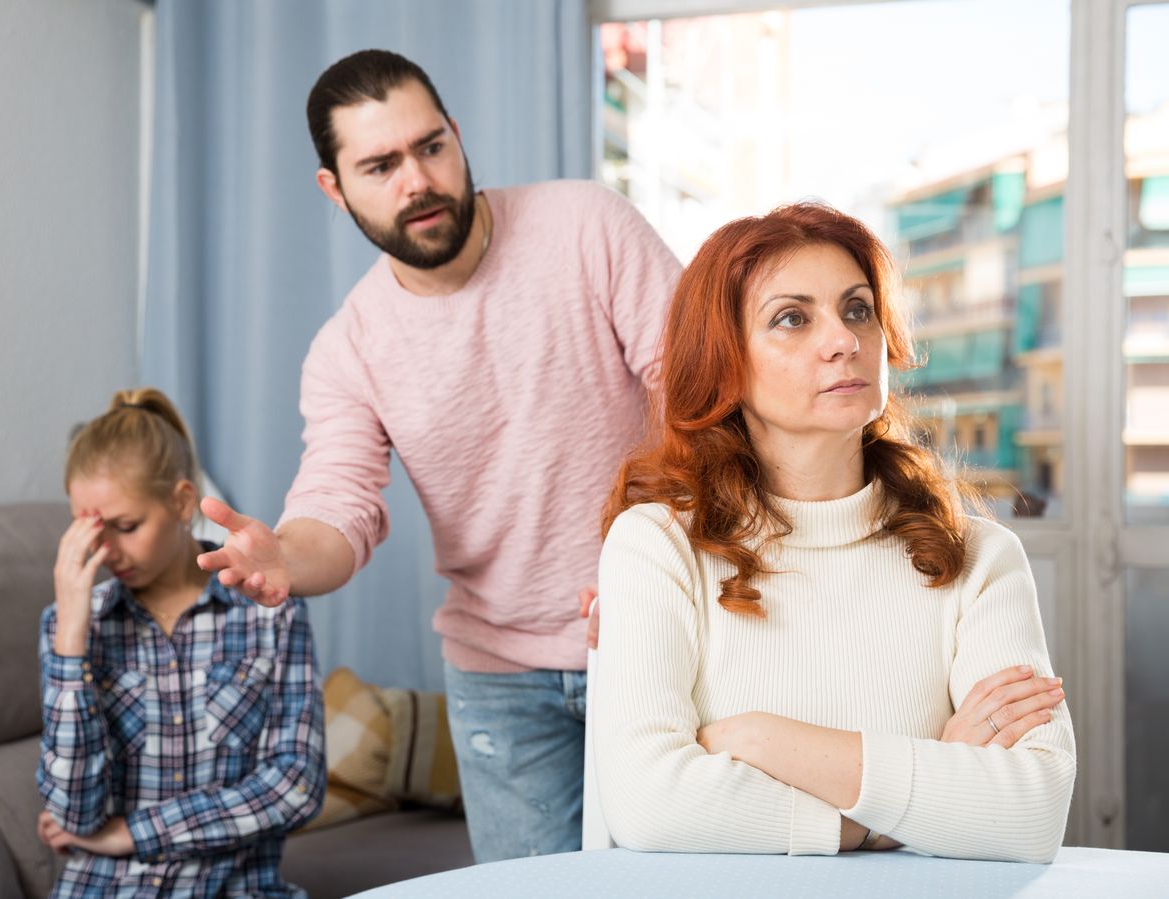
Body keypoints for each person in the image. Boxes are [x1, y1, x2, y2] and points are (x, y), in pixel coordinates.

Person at [195, 49, 681, 861]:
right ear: (335, 187)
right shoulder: (348, 349)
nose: (415, 181)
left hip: (656, 633)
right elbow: (338, 506)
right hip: (499, 675)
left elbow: (696, 391)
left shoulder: (587, 225)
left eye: (429, 147)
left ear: (456, 135)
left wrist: (650, 554)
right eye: (379, 165)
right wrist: (283, 553)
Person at [592, 203, 1076, 862]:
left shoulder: (980, 556)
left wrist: (765, 739)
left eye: (857, 309)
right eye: (792, 318)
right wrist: (890, 817)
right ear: (724, 363)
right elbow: (649, 800)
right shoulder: (656, 547)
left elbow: (1033, 807)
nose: (844, 339)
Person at [37, 388, 325, 897]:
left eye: (126, 527)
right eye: (90, 532)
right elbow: (72, 813)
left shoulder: (268, 612)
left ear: (182, 502)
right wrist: (70, 642)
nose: (108, 552)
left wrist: (136, 833)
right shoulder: (69, 629)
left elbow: (296, 786)